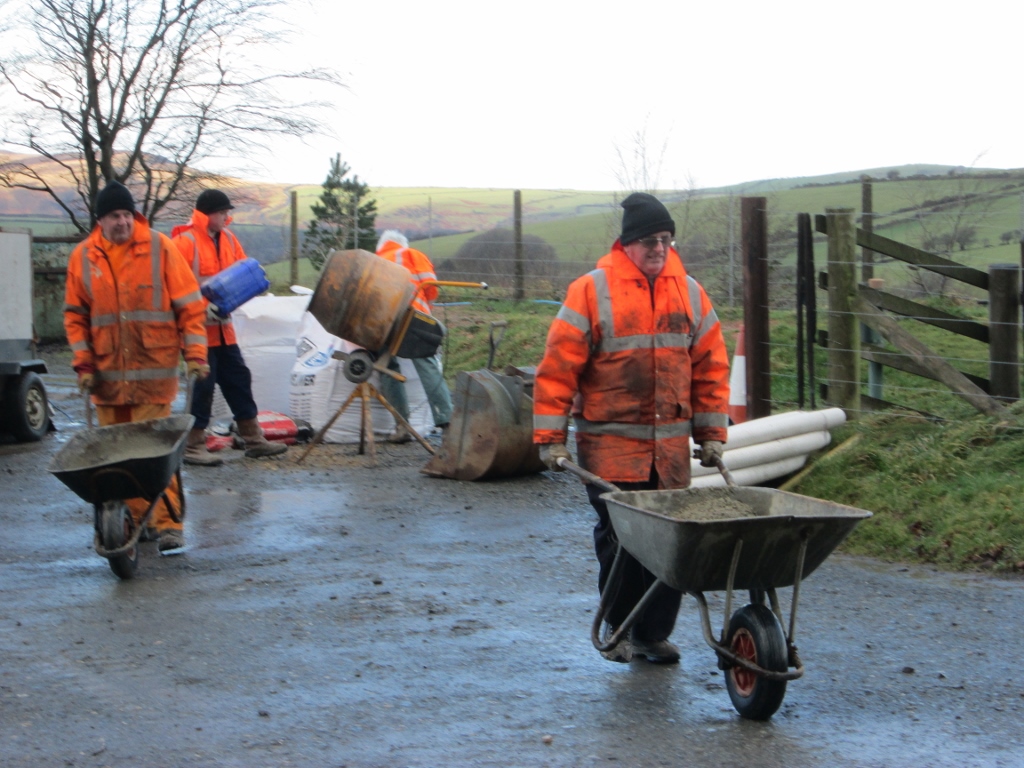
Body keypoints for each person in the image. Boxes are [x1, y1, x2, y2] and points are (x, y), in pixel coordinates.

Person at [532, 192, 730, 664]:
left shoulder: (690, 292)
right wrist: (549, 438)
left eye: (665, 240)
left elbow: (710, 366)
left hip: (669, 454)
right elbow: (558, 368)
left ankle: (652, 634)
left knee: (671, 544)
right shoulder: (591, 291)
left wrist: (712, 434)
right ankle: (619, 628)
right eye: (648, 241)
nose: (659, 250)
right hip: (610, 451)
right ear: (627, 245)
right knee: (621, 541)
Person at [64, 179, 209, 553]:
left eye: (128, 214)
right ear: (101, 220)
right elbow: (76, 318)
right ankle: (133, 521)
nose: (123, 222)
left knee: (154, 453)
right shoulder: (83, 258)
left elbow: (190, 307)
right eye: (115, 216)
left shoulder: (161, 249)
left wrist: (195, 356)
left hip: (152, 373)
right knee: (117, 458)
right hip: (107, 380)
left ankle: (168, 525)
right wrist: (83, 365)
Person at [171, 189, 287, 464]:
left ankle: (254, 439)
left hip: (224, 330)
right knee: (202, 389)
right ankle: (193, 447)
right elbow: (172, 289)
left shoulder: (229, 239)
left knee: (239, 381)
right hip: (197, 332)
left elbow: (242, 272)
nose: (227, 217)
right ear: (207, 214)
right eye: (223, 212)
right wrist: (201, 307)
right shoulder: (183, 243)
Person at [374, 230, 453, 442]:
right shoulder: (410, 253)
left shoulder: (374, 261)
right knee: (425, 362)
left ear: (381, 246)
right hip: (412, 315)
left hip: (381, 320)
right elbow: (431, 289)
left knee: (387, 366)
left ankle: (401, 427)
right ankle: (447, 422)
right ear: (401, 243)